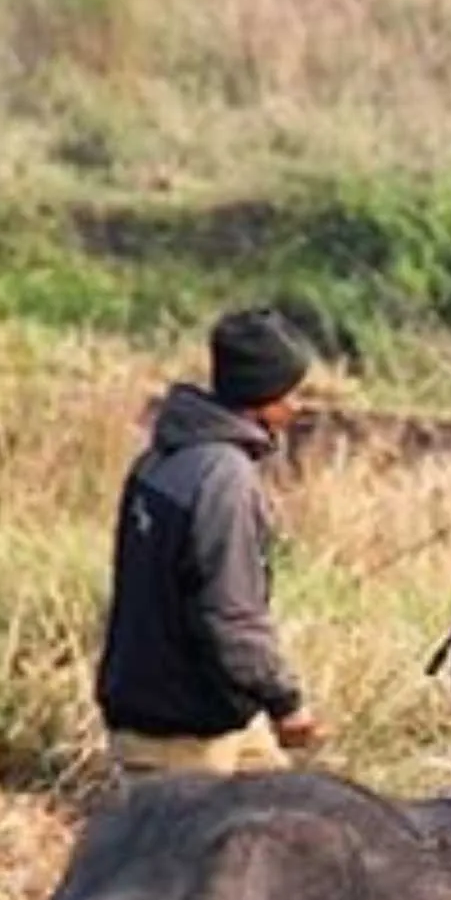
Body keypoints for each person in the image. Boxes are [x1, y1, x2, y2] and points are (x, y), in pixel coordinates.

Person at [95, 308, 324, 777]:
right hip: (181, 736)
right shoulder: (225, 479)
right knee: (186, 852)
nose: (300, 406)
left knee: (288, 828)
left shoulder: (159, 459)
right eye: (292, 393)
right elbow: (230, 615)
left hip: (203, 715)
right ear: (262, 399)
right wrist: (287, 704)